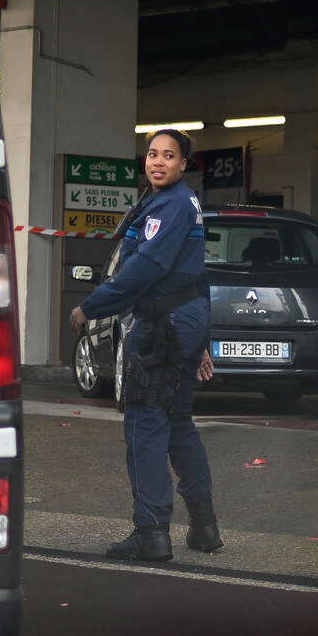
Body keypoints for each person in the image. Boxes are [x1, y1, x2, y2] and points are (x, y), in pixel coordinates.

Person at [70, 129, 222, 561]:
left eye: (168, 156)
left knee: (144, 424)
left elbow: (145, 267)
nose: (158, 162)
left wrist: (91, 306)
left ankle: (151, 533)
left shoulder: (170, 207)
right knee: (177, 421)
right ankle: (204, 528)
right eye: (152, 154)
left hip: (162, 325)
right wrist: (203, 339)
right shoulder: (181, 203)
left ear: (183, 164)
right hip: (186, 320)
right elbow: (198, 275)